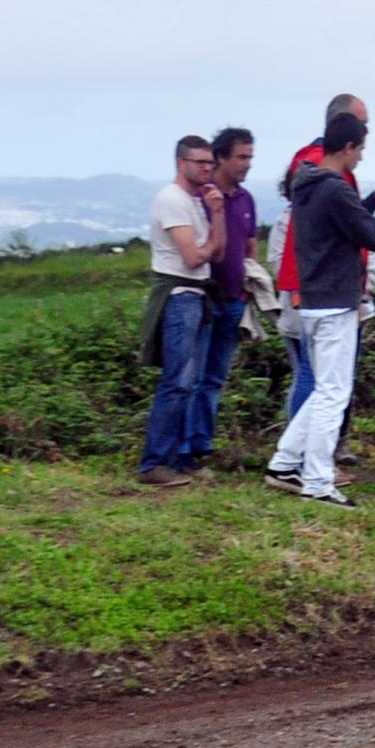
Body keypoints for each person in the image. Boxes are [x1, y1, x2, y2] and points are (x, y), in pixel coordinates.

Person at [264, 115, 375, 508]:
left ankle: (283, 463)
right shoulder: (333, 189)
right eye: (361, 149)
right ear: (347, 146)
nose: (361, 158)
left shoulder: (308, 183)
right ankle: (317, 481)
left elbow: (346, 221)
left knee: (323, 390)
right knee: (334, 394)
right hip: (335, 305)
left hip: (313, 302)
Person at [135, 136, 226, 487]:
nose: (207, 168)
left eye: (209, 163)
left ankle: (171, 459)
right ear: (180, 163)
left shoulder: (198, 201)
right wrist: (207, 246)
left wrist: (217, 213)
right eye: (200, 162)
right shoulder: (172, 200)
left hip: (196, 295)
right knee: (177, 381)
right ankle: (155, 463)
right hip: (181, 297)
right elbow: (193, 257)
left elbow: (216, 254)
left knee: (187, 382)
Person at [186, 126, 257, 473]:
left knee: (213, 378)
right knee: (194, 376)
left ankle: (201, 446)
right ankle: (184, 449)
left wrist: (248, 286)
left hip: (234, 300)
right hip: (204, 300)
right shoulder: (202, 198)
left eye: (250, 157)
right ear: (222, 157)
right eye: (241, 157)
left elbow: (250, 244)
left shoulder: (245, 200)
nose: (247, 164)